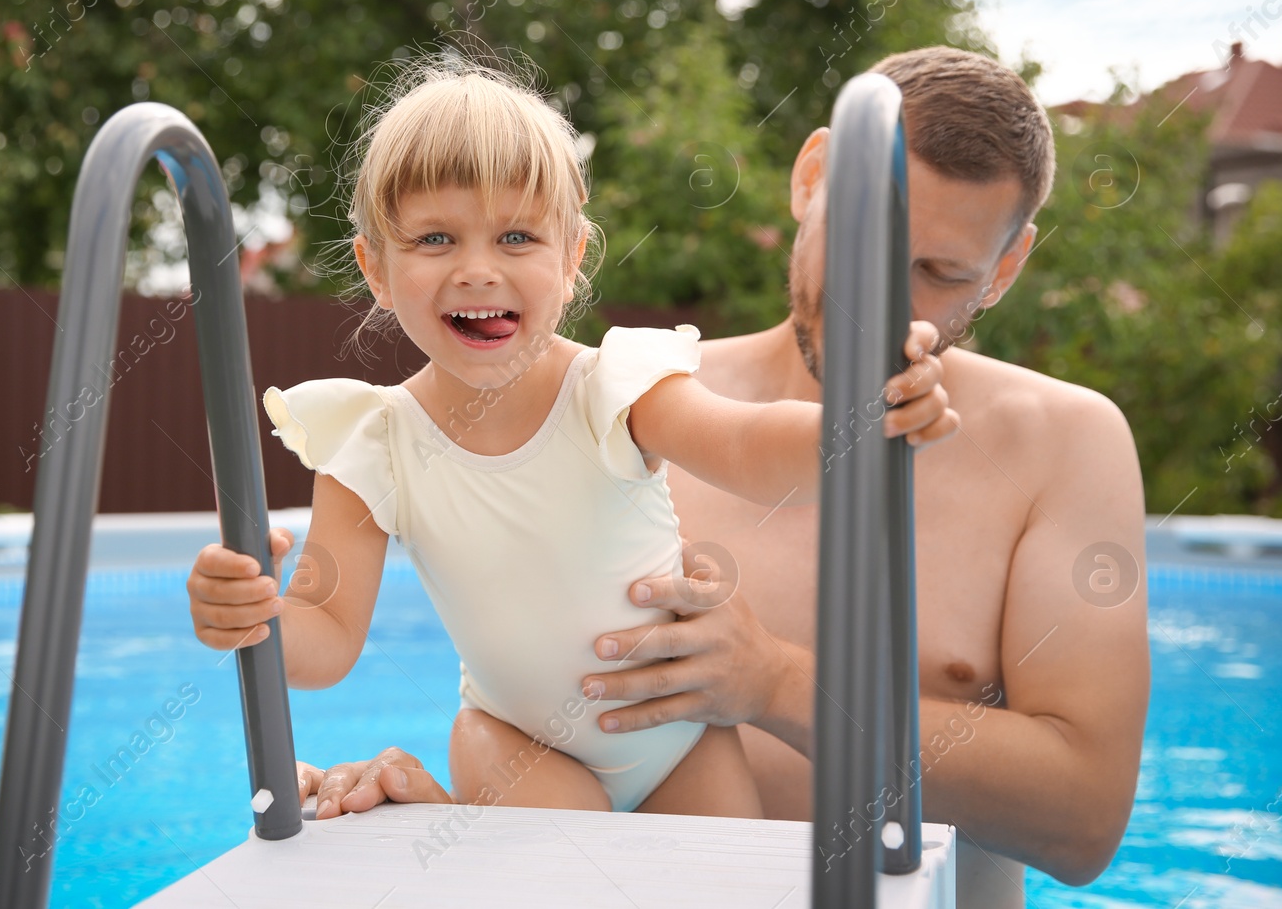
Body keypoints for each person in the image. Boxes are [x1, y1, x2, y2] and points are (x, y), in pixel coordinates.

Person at [194, 47, 1148, 906]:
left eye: (938, 269)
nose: (881, 300)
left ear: (1008, 264)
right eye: (863, 245)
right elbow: (415, 663)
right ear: (812, 178)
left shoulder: (1062, 443)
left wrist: (773, 680)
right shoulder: (636, 396)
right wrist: (438, 811)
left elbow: (1084, 825)